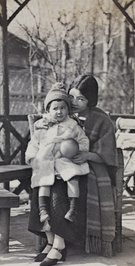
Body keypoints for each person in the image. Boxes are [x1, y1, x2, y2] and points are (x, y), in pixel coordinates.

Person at [27, 75, 118, 266]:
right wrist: (41, 125)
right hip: (61, 164)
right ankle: (51, 240)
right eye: (72, 97)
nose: (75, 103)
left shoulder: (101, 120)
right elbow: (43, 132)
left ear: (90, 100)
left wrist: (88, 156)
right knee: (43, 184)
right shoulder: (64, 114)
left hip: (91, 168)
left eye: (81, 99)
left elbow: (109, 154)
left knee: (59, 190)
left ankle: (59, 245)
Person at [25, 82, 90, 225]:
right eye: (55, 109)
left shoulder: (73, 125)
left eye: (63, 108)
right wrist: (32, 157)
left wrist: (77, 148)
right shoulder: (43, 125)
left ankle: (73, 209)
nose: (59, 112)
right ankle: (43, 210)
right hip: (46, 160)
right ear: (48, 110)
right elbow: (34, 143)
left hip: (65, 160)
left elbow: (83, 140)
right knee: (43, 181)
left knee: (73, 178)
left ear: (68, 110)